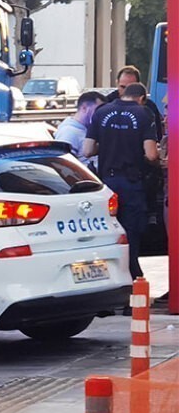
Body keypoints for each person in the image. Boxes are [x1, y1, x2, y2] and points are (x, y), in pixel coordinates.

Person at [84, 82, 161, 279]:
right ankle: (131, 277)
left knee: (109, 231)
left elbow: (87, 150)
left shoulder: (102, 112)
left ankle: (108, 276)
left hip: (107, 184)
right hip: (131, 183)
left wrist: (109, 146)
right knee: (131, 233)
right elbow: (151, 154)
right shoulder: (144, 114)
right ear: (142, 98)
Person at [55, 90, 105, 165]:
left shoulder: (86, 129)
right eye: (97, 110)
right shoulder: (69, 132)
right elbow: (63, 164)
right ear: (84, 108)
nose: (100, 114)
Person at [105, 65, 163, 130]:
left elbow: (157, 132)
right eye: (123, 87)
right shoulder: (106, 103)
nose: (126, 91)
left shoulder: (149, 107)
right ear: (117, 84)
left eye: (130, 87)